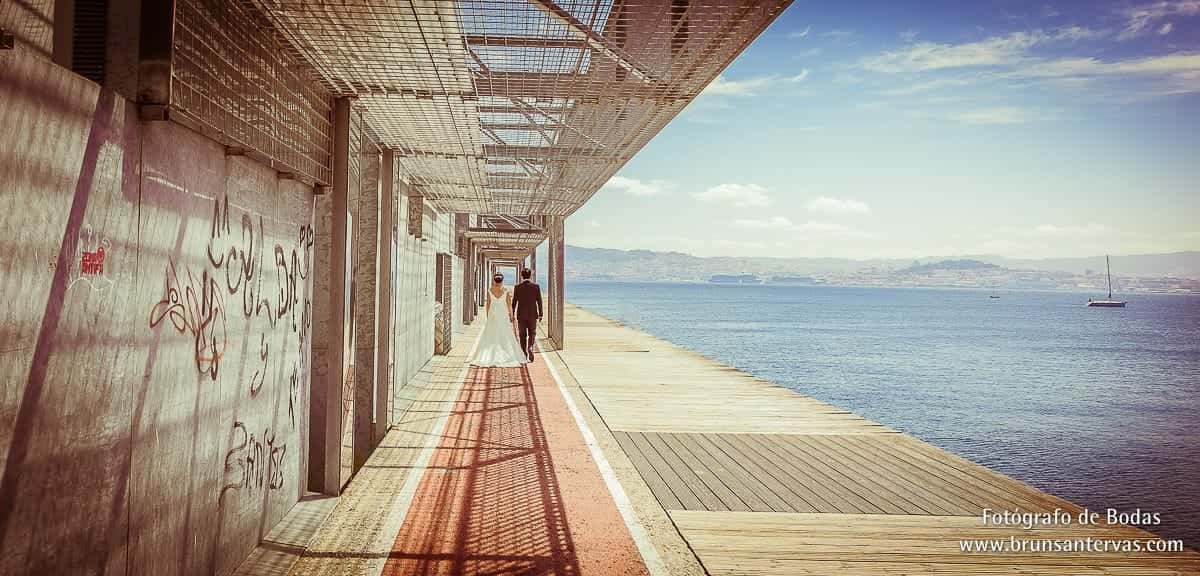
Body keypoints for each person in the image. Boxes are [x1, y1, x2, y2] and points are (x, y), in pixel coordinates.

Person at [469, 273, 529, 367]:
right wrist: (512, 316)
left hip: (493, 316)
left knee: (491, 334)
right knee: (505, 334)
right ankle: (507, 354)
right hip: (503, 315)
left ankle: (488, 356)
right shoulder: (505, 291)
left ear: (494, 280)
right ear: (502, 281)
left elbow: (488, 304)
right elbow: (509, 306)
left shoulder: (490, 291)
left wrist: (488, 316)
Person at [512, 268, 543, 362]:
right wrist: (541, 314)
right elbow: (539, 301)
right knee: (532, 333)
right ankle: (530, 347)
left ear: (522, 276)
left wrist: (512, 314)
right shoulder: (536, 287)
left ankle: (523, 352)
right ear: (530, 276)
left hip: (521, 315)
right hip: (533, 314)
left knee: (522, 335)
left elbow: (514, 302)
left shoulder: (517, 287)